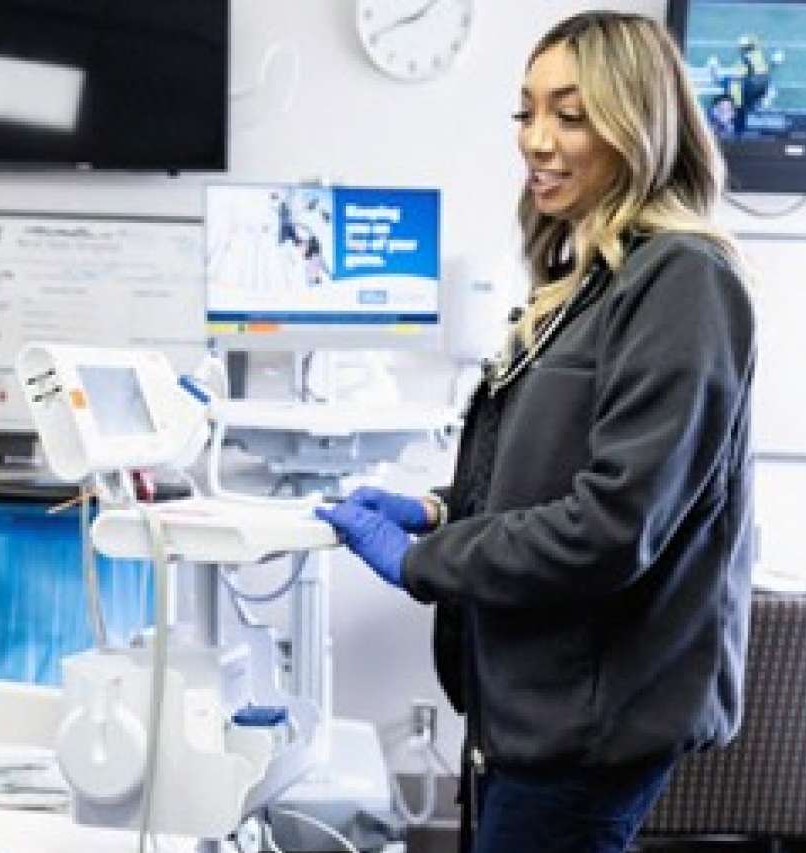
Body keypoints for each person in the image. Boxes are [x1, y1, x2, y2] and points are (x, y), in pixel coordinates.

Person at [317, 12, 754, 853]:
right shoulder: (586, 280)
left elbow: (612, 525)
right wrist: (440, 510)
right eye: (526, 112)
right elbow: (552, 469)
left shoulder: (683, 281)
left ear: (638, 123)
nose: (536, 140)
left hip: (589, 724)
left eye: (571, 113)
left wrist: (421, 563)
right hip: (530, 705)